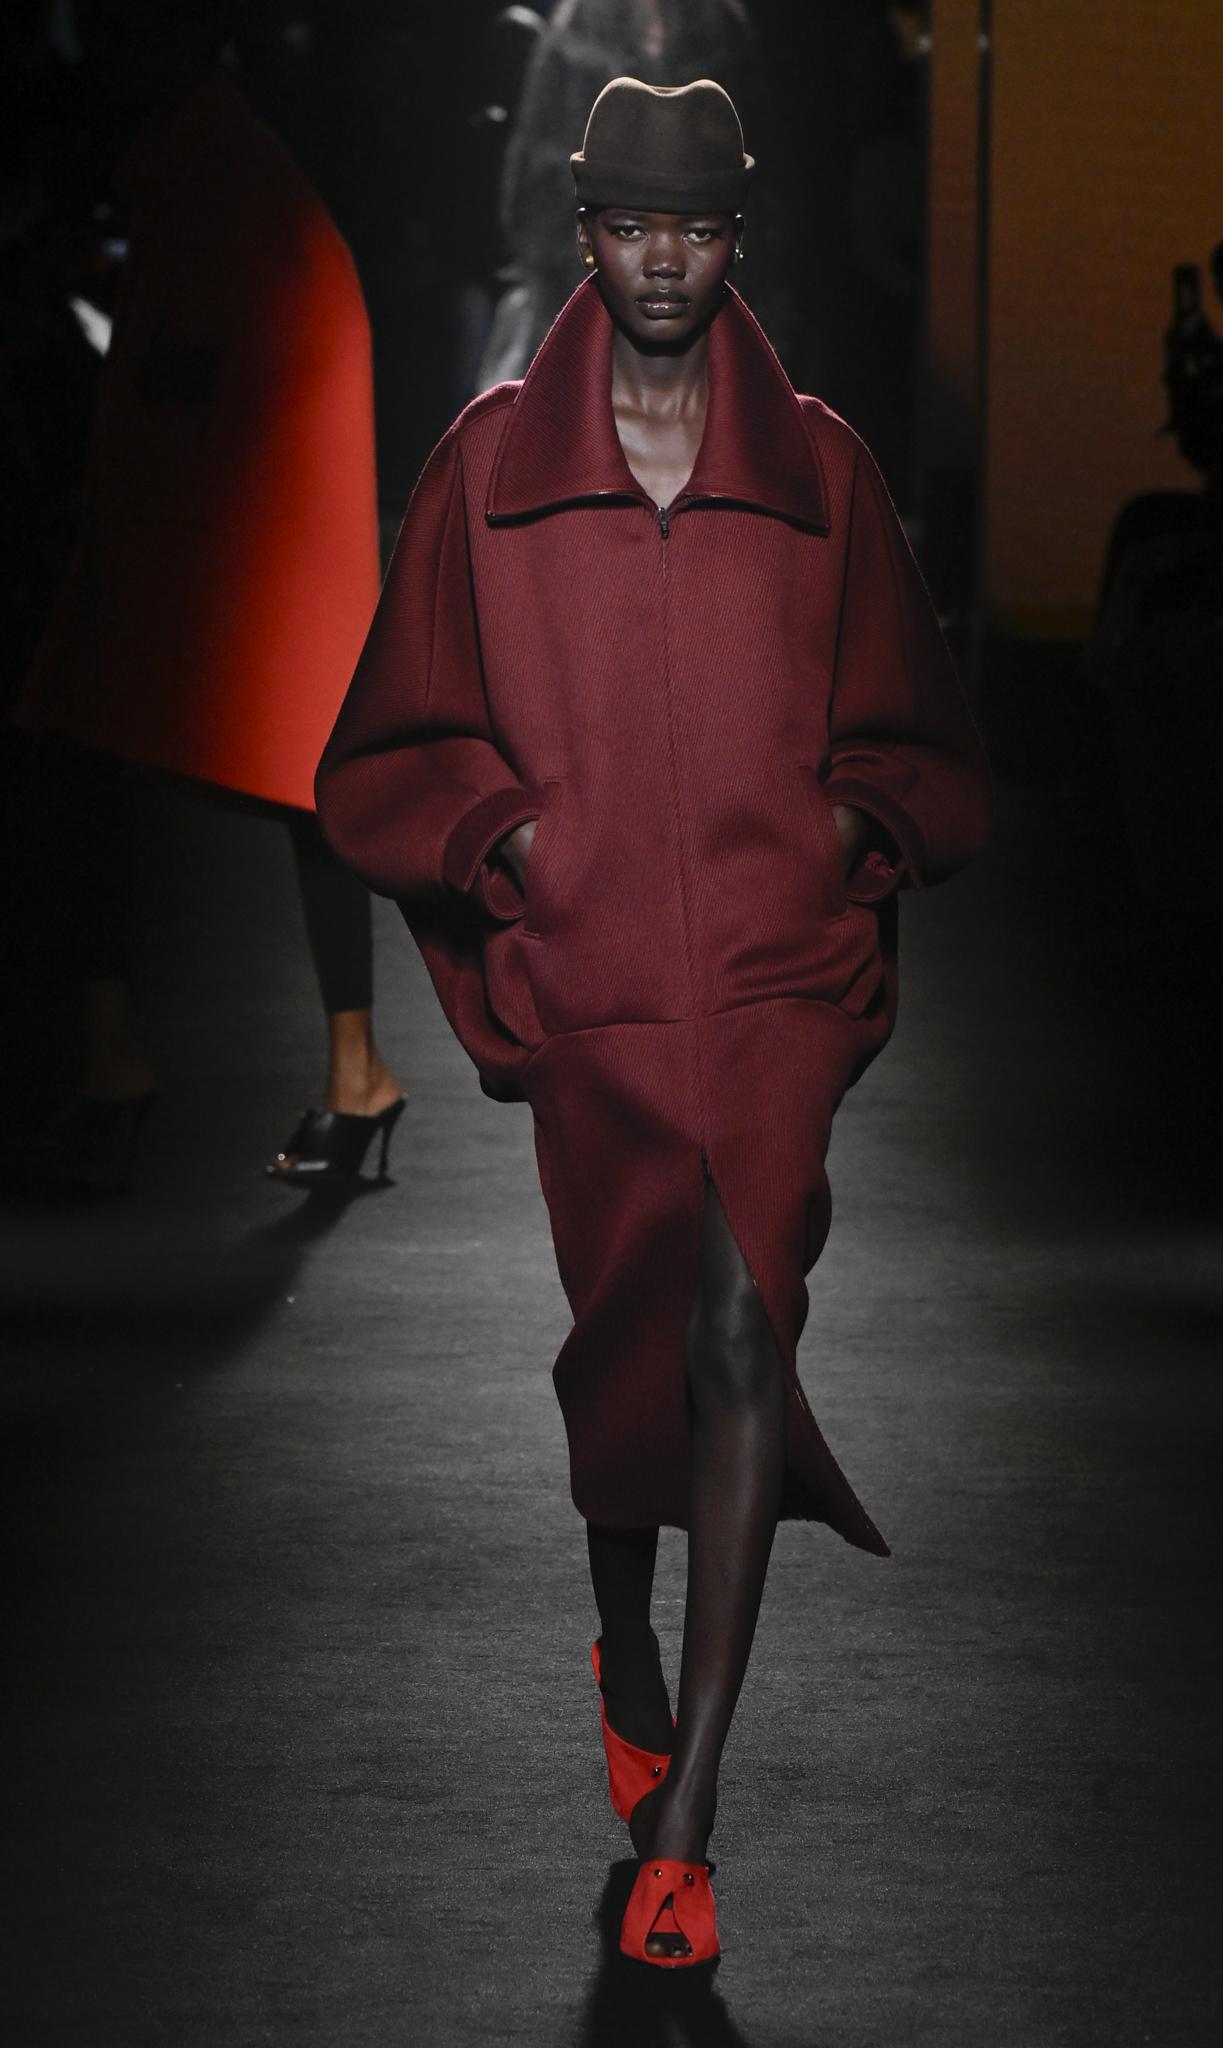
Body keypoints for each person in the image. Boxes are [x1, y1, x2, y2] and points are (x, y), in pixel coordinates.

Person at [317, 77, 988, 1966]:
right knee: (633, 1344)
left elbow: (922, 736)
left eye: (694, 227)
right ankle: (619, 1636)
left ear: (735, 240)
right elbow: (386, 741)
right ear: (586, 237)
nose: (664, 259)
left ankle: (688, 1810)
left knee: (736, 1320)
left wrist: (843, 827)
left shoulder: (822, 471)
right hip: (598, 979)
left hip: (771, 976)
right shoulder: (487, 469)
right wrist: (510, 840)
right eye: (631, 227)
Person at [13, 2, 404, 1192]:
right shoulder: (209, 160)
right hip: (241, 526)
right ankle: (328, 1071)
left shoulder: (217, 172)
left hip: (240, 528)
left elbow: (186, 358)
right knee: (268, 783)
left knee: (97, 757)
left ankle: (132, 1062)